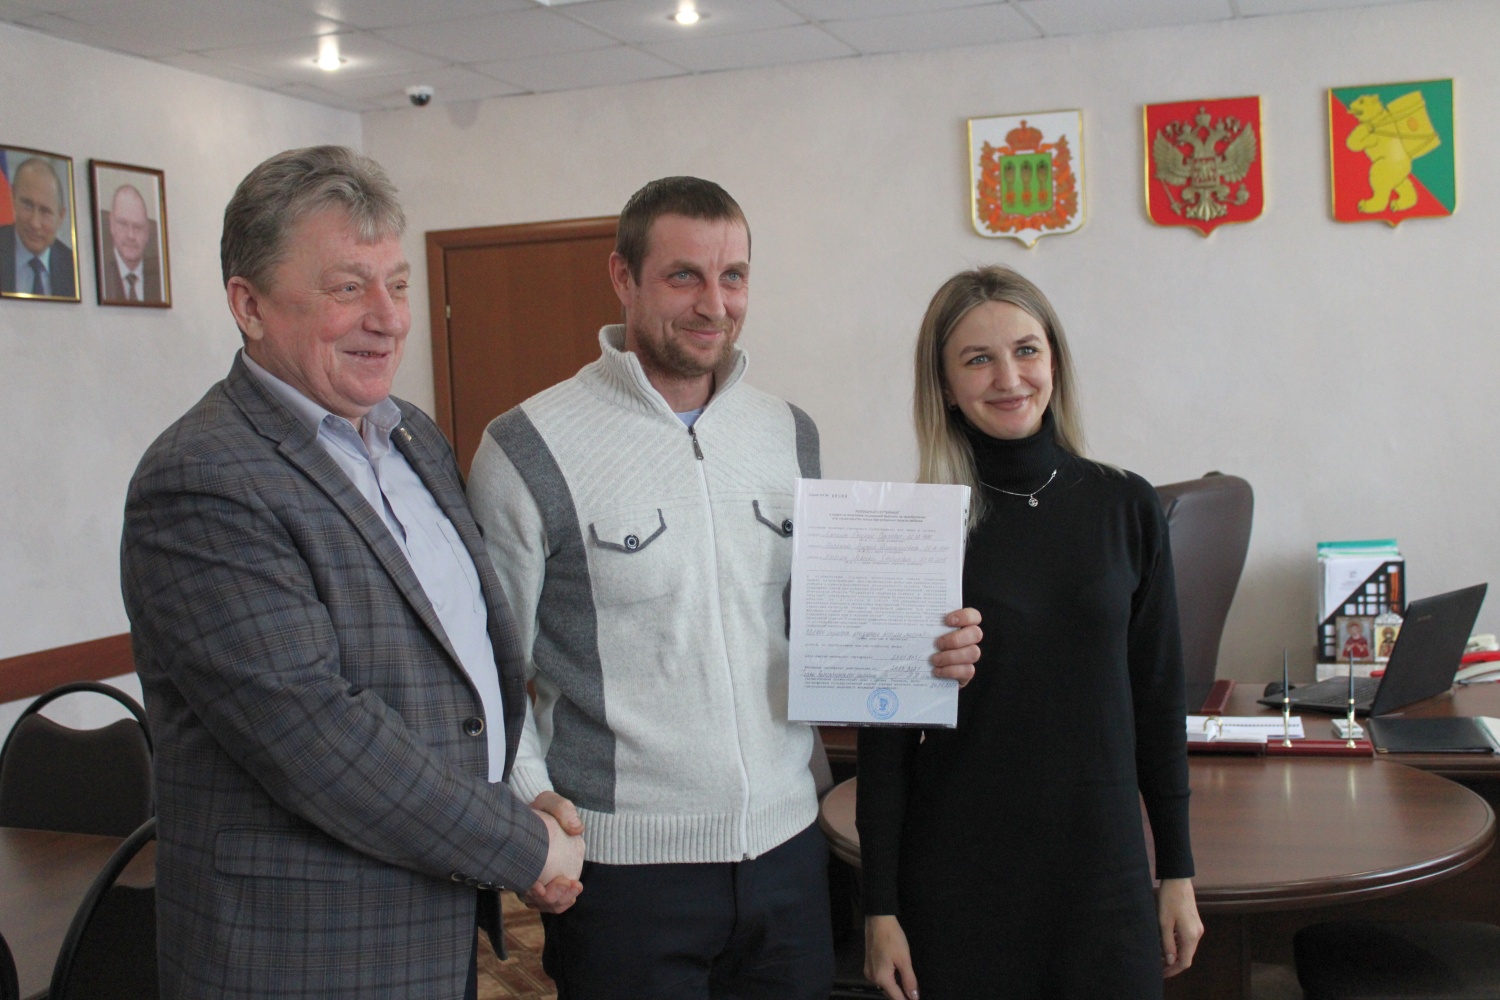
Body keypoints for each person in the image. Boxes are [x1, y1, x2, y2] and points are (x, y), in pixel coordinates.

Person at [466, 175, 983, 999]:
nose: (715, 304)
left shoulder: (788, 432)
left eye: (733, 276)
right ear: (623, 277)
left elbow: (815, 628)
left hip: (789, 854)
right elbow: (488, 672)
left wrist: (924, 652)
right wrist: (532, 802)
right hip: (623, 872)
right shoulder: (526, 446)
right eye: (684, 276)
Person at [120, 145, 584, 1000]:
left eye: (398, 284)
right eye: (347, 288)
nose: (390, 318)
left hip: (431, 929)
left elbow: (454, 672)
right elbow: (317, 737)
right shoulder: (202, 478)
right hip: (297, 958)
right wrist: (520, 846)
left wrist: (516, 798)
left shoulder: (412, 437)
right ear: (249, 305)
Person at [857, 265, 1202, 1000]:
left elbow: (1159, 702)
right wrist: (879, 910)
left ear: (1055, 361)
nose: (1009, 378)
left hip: (1103, 872)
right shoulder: (914, 529)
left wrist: (1177, 870)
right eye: (977, 359)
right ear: (945, 384)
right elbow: (884, 748)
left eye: (1026, 350)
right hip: (962, 880)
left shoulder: (1126, 505)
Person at [0, 156, 76, 297]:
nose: (34, 223)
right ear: (13, 197)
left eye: (45, 211)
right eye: (27, 205)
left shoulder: (73, 267)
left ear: (60, 216)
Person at [101, 182, 163, 302]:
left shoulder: (160, 277)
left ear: (147, 231)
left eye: (138, 227)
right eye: (123, 224)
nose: (131, 235)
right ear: (112, 224)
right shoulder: (101, 273)